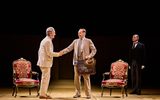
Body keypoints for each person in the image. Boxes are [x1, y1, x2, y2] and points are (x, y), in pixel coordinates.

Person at [60, 28, 97, 99]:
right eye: (78, 33)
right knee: (76, 78)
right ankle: (77, 93)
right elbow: (69, 48)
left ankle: (88, 94)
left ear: (84, 33)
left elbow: (94, 50)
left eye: (80, 33)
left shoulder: (88, 41)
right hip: (76, 62)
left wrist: (89, 56)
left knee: (86, 78)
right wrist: (62, 52)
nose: (78, 34)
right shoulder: (75, 41)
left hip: (85, 62)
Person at [37, 27, 62, 99]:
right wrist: (58, 54)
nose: (55, 34)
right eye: (54, 32)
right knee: (45, 78)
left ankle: (43, 93)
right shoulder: (47, 41)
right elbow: (49, 53)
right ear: (50, 32)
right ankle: (42, 94)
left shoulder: (45, 40)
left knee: (45, 78)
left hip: (44, 62)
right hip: (45, 63)